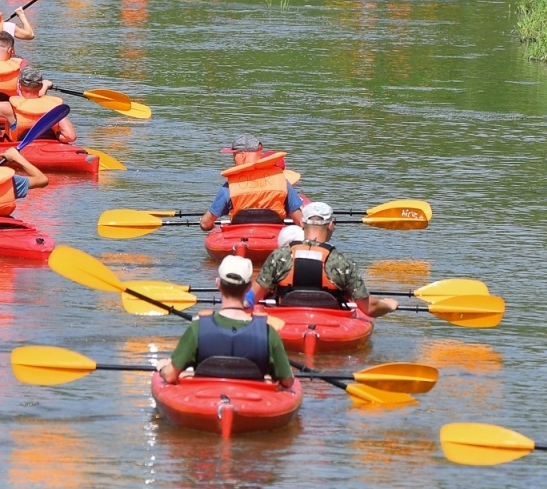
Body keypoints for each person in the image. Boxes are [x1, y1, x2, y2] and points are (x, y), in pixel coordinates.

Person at [158, 256, 296, 388]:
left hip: (207, 397)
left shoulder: (198, 328)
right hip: (251, 401)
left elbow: (170, 376)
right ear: (248, 287)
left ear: (218, 284)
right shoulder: (267, 332)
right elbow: (288, 382)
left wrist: (163, 368)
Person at [253, 203, 398, 317]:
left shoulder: (280, 256)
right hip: (329, 321)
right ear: (331, 225)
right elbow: (369, 308)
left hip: (287, 319)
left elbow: (252, 297)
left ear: (302, 224)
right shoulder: (342, 262)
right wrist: (388, 305)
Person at [199, 133, 304, 231]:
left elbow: (205, 223)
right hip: (274, 237)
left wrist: (211, 226)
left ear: (242, 155)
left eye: (234, 155)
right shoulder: (282, 181)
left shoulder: (229, 187)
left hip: (240, 238)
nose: (233, 159)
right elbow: (300, 221)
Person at [0, 66, 76, 144]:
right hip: (49, 147)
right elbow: (70, 136)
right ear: (40, 87)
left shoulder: (9, 109)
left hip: (20, 149)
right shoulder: (55, 108)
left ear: (20, 86)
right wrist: (54, 137)